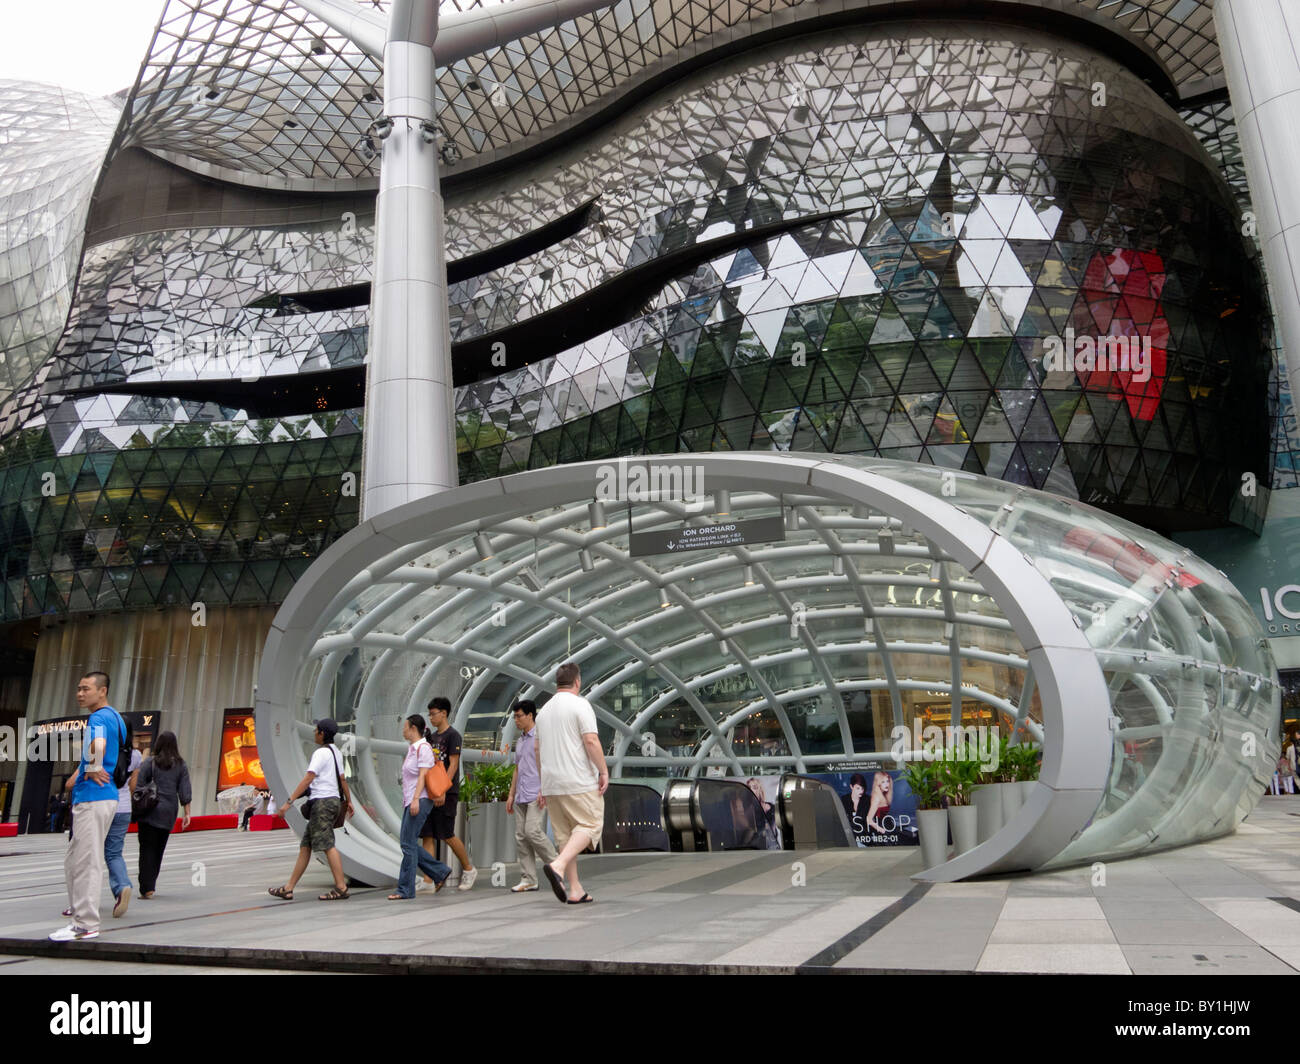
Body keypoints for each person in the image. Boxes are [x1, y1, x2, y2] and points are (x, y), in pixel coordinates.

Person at [50, 671, 126, 941]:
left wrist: (93, 766)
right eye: (78, 688)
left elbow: (99, 743)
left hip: (94, 797)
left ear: (102, 690)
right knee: (75, 859)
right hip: (102, 796)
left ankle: (85, 924)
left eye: (86, 689)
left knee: (85, 861)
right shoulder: (116, 717)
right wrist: (84, 770)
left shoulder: (98, 717)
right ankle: (79, 916)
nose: (80, 693)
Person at [536, 662, 608, 904]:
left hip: (551, 783)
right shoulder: (580, 705)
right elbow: (591, 741)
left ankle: (575, 888)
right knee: (590, 823)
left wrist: (542, 784)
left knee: (566, 836)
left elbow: (537, 749)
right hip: (578, 780)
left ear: (558, 682)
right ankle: (557, 865)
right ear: (577, 681)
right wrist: (603, 771)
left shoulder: (543, 711)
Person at [268, 718, 354, 901]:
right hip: (331, 802)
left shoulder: (320, 753)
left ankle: (341, 887)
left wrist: (288, 802)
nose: (314, 733)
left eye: (316, 730)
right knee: (306, 846)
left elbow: (308, 779)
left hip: (322, 803)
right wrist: (349, 801)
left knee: (327, 845)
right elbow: (343, 779)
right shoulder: (336, 753)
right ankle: (288, 888)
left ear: (322, 733)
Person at [388, 714, 451, 899]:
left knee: (408, 844)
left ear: (413, 728)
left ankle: (405, 889)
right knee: (407, 843)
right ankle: (439, 871)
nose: (403, 730)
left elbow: (423, 775)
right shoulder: (413, 748)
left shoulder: (423, 748)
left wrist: (415, 799)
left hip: (420, 799)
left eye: (405, 726)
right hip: (412, 799)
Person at [419, 697, 477, 891]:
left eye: (433, 713)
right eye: (430, 714)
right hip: (430, 792)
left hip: (447, 792)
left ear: (444, 713)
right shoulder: (431, 738)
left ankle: (469, 869)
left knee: (447, 834)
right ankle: (428, 879)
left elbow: (453, 764)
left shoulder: (453, 736)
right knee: (427, 834)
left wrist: (443, 789)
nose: (431, 718)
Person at [505, 700, 558, 892]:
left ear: (530, 715)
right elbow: (517, 769)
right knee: (521, 837)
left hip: (537, 793)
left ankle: (557, 865)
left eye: (519, 716)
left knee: (532, 831)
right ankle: (528, 879)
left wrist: (543, 789)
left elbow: (548, 765)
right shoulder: (520, 741)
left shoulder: (540, 738)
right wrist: (511, 795)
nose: (516, 720)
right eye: (515, 717)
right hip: (521, 794)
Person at [135, 731, 192, 898]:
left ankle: (147, 887)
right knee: (159, 849)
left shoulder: (149, 763)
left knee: (146, 849)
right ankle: (151, 883)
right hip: (168, 812)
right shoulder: (181, 765)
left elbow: (139, 787)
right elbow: (185, 790)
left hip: (149, 810)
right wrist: (187, 813)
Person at [104, 722, 142, 917]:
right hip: (124, 807)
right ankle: (123, 885)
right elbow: (133, 785)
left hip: (103, 804)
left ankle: (86, 896)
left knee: (91, 853)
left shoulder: (104, 750)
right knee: (114, 853)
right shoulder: (136, 756)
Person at [745, 777, 780, 849]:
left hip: (773, 846)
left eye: (754, 787)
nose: (751, 790)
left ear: (759, 790)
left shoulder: (772, 807)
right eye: (748, 788)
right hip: (758, 848)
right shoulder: (748, 810)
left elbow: (775, 829)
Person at [842, 772, 871, 839]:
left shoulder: (867, 800)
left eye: (862, 788)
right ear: (851, 787)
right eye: (858, 788)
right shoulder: (844, 800)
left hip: (865, 837)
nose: (861, 791)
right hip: (849, 837)